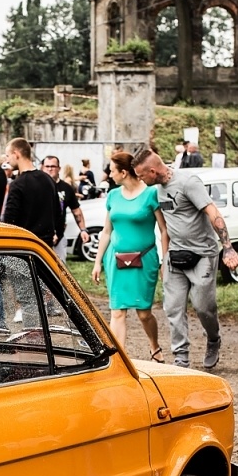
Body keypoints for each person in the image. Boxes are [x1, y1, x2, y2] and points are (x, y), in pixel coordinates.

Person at [134, 148, 238, 369]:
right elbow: (166, 227)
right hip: (176, 256)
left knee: (203, 307)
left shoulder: (188, 183)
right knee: (173, 309)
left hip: (203, 255)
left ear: (152, 171)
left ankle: (213, 339)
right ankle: (181, 358)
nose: (140, 180)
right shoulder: (158, 190)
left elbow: (213, 213)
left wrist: (228, 248)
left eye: (141, 175)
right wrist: (165, 258)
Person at [91, 150, 168, 361]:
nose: (109, 174)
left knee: (144, 313)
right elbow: (106, 231)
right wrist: (97, 262)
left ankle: (155, 347)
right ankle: (119, 359)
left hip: (144, 260)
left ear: (124, 172)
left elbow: (163, 230)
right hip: (115, 260)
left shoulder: (151, 194)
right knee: (117, 312)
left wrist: (164, 260)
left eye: (112, 170)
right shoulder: (113, 195)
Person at [1, 138, 60, 246]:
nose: (7, 161)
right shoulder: (49, 180)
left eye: (8, 156)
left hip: (24, 246)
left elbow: (9, 221)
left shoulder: (17, 184)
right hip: (45, 248)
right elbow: (58, 212)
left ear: (16, 154)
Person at [52, 161, 89, 260]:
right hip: (40, 237)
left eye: (53, 166)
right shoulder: (38, 187)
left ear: (59, 168)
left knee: (59, 270)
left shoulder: (65, 188)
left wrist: (83, 230)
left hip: (59, 237)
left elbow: (76, 211)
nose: (50, 169)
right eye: (47, 166)